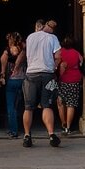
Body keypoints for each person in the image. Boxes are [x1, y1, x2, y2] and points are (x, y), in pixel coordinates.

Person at [21, 18, 62, 148]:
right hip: (48, 75)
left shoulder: (30, 37)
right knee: (47, 105)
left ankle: (27, 135)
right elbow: (58, 56)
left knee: (28, 107)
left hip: (31, 74)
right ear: (46, 26)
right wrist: (54, 67)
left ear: (36, 27)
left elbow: (26, 54)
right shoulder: (52, 38)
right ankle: (51, 134)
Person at [0, 31, 27, 138]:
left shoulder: (7, 51)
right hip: (23, 80)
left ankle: (13, 131)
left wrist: (2, 74)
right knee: (24, 105)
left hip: (11, 80)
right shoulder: (24, 49)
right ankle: (26, 129)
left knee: (11, 107)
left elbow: (2, 61)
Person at [56, 35, 84, 135]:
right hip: (75, 80)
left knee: (60, 103)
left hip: (63, 81)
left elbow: (57, 66)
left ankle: (63, 124)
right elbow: (81, 62)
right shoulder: (76, 53)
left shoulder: (61, 52)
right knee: (71, 104)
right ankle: (68, 127)